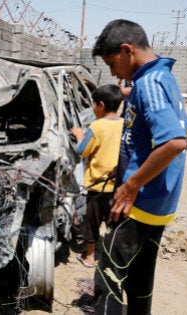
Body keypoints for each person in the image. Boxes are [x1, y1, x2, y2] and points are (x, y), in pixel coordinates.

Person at [91, 19, 187, 314]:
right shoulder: (164, 78)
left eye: (112, 63)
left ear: (127, 50)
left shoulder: (148, 83)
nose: (112, 73)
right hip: (158, 204)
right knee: (139, 280)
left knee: (108, 281)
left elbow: (174, 143)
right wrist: (128, 165)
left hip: (137, 205)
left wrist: (131, 184)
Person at [70, 84, 124, 268]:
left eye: (93, 104)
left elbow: (83, 150)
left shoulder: (96, 126)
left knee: (92, 222)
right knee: (113, 222)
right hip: (117, 186)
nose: (92, 108)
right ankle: (111, 256)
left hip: (98, 186)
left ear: (100, 105)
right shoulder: (124, 123)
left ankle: (90, 257)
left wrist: (79, 135)